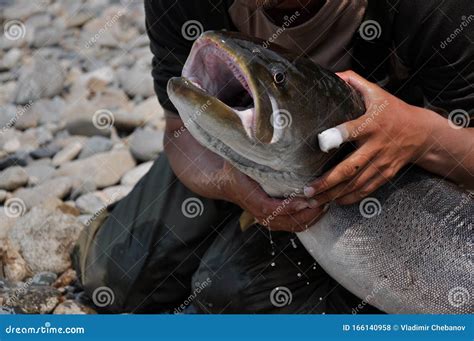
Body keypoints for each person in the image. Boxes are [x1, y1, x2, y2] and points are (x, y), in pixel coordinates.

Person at [72, 0, 474, 313]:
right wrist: (231, 185)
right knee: (118, 274)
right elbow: (179, 130)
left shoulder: (435, 9)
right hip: (241, 146)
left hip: (416, 160)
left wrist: (423, 136)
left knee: (232, 294)